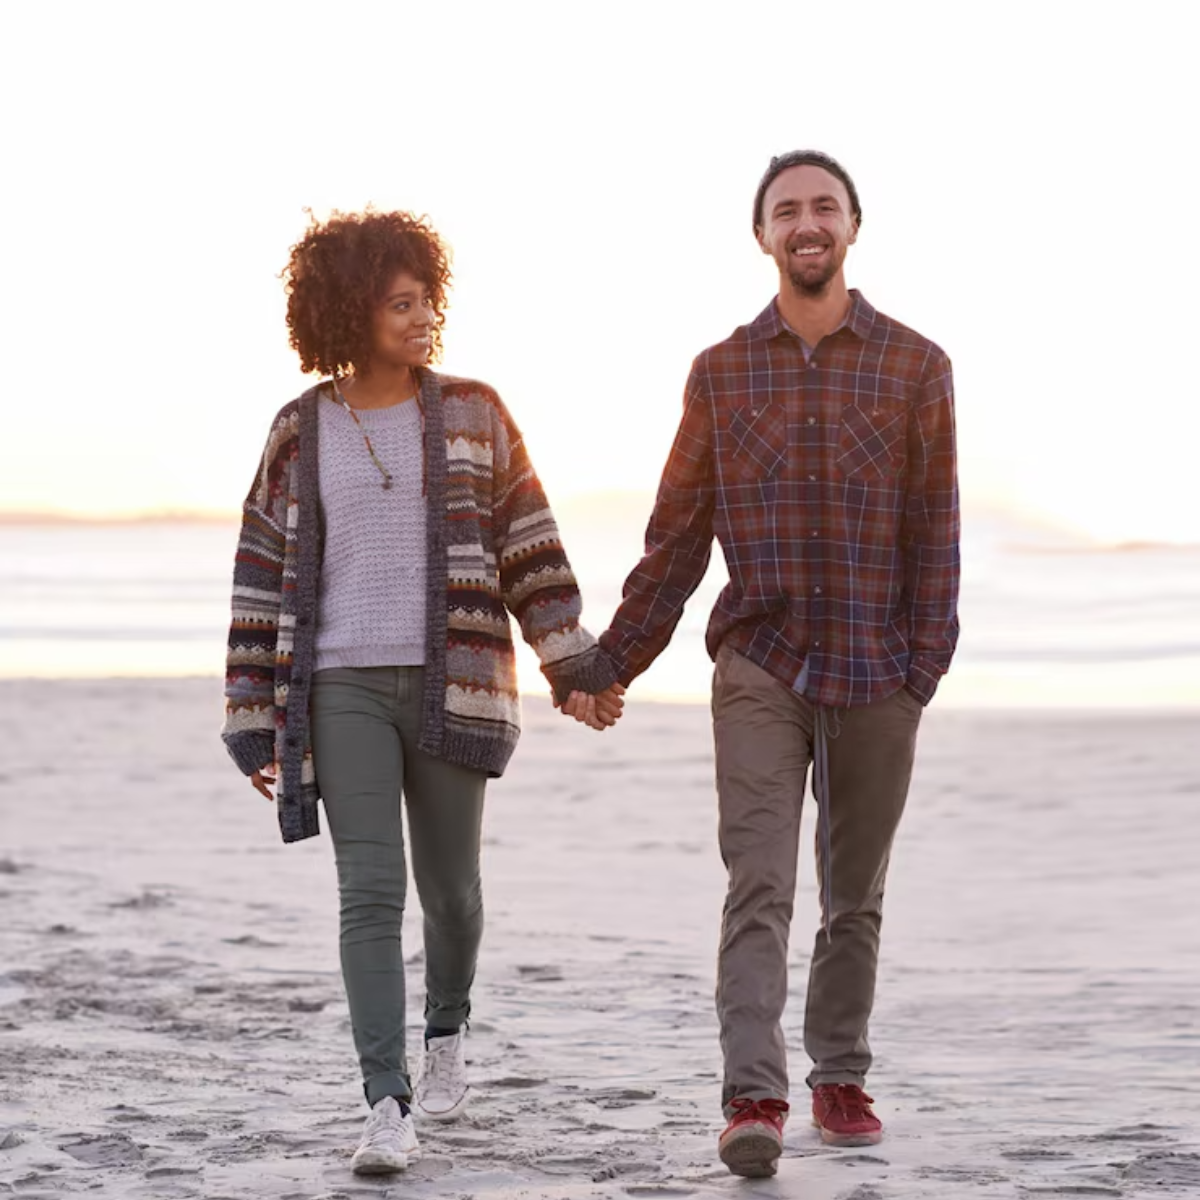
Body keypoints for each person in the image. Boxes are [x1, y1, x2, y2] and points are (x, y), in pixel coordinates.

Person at [562, 150, 960, 1178]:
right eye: (787, 210)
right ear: (764, 238)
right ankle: (755, 1096)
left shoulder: (918, 367)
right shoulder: (720, 373)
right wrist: (608, 663)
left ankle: (839, 1069)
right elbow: (677, 539)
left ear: (853, 228)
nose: (807, 222)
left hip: (881, 665)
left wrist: (925, 664)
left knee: (855, 889)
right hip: (761, 663)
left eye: (824, 206)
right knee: (761, 882)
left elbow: (937, 534)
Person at [221, 209, 623, 1176]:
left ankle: (448, 1028)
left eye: (426, 300)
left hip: (458, 684)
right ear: (347, 314)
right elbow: (260, 568)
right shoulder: (300, 428)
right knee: (370, 893)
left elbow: (531, 546)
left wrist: (575, 666)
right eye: (400, 304)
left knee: (453, 893)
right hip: (339, 685)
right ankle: (385, 1104)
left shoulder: (477, 412)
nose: (421, 318)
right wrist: (251, 716)